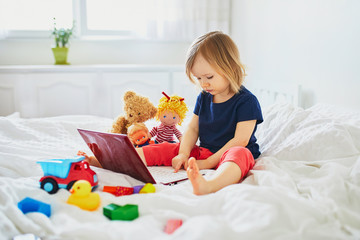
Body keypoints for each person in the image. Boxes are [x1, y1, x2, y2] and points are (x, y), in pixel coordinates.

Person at [84, 31, 263, 195]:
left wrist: (209, 164)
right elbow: (193, 128)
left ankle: (209, 185)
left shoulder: (246, 101)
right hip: (204, 151)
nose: (204, 84)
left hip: (230, 154)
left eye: (209, 77)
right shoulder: (205, 97)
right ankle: (110, 161)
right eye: (198, 78)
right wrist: (184, 153)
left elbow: (241, 140)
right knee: (165, 147)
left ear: (230, 68)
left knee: (240, 154)